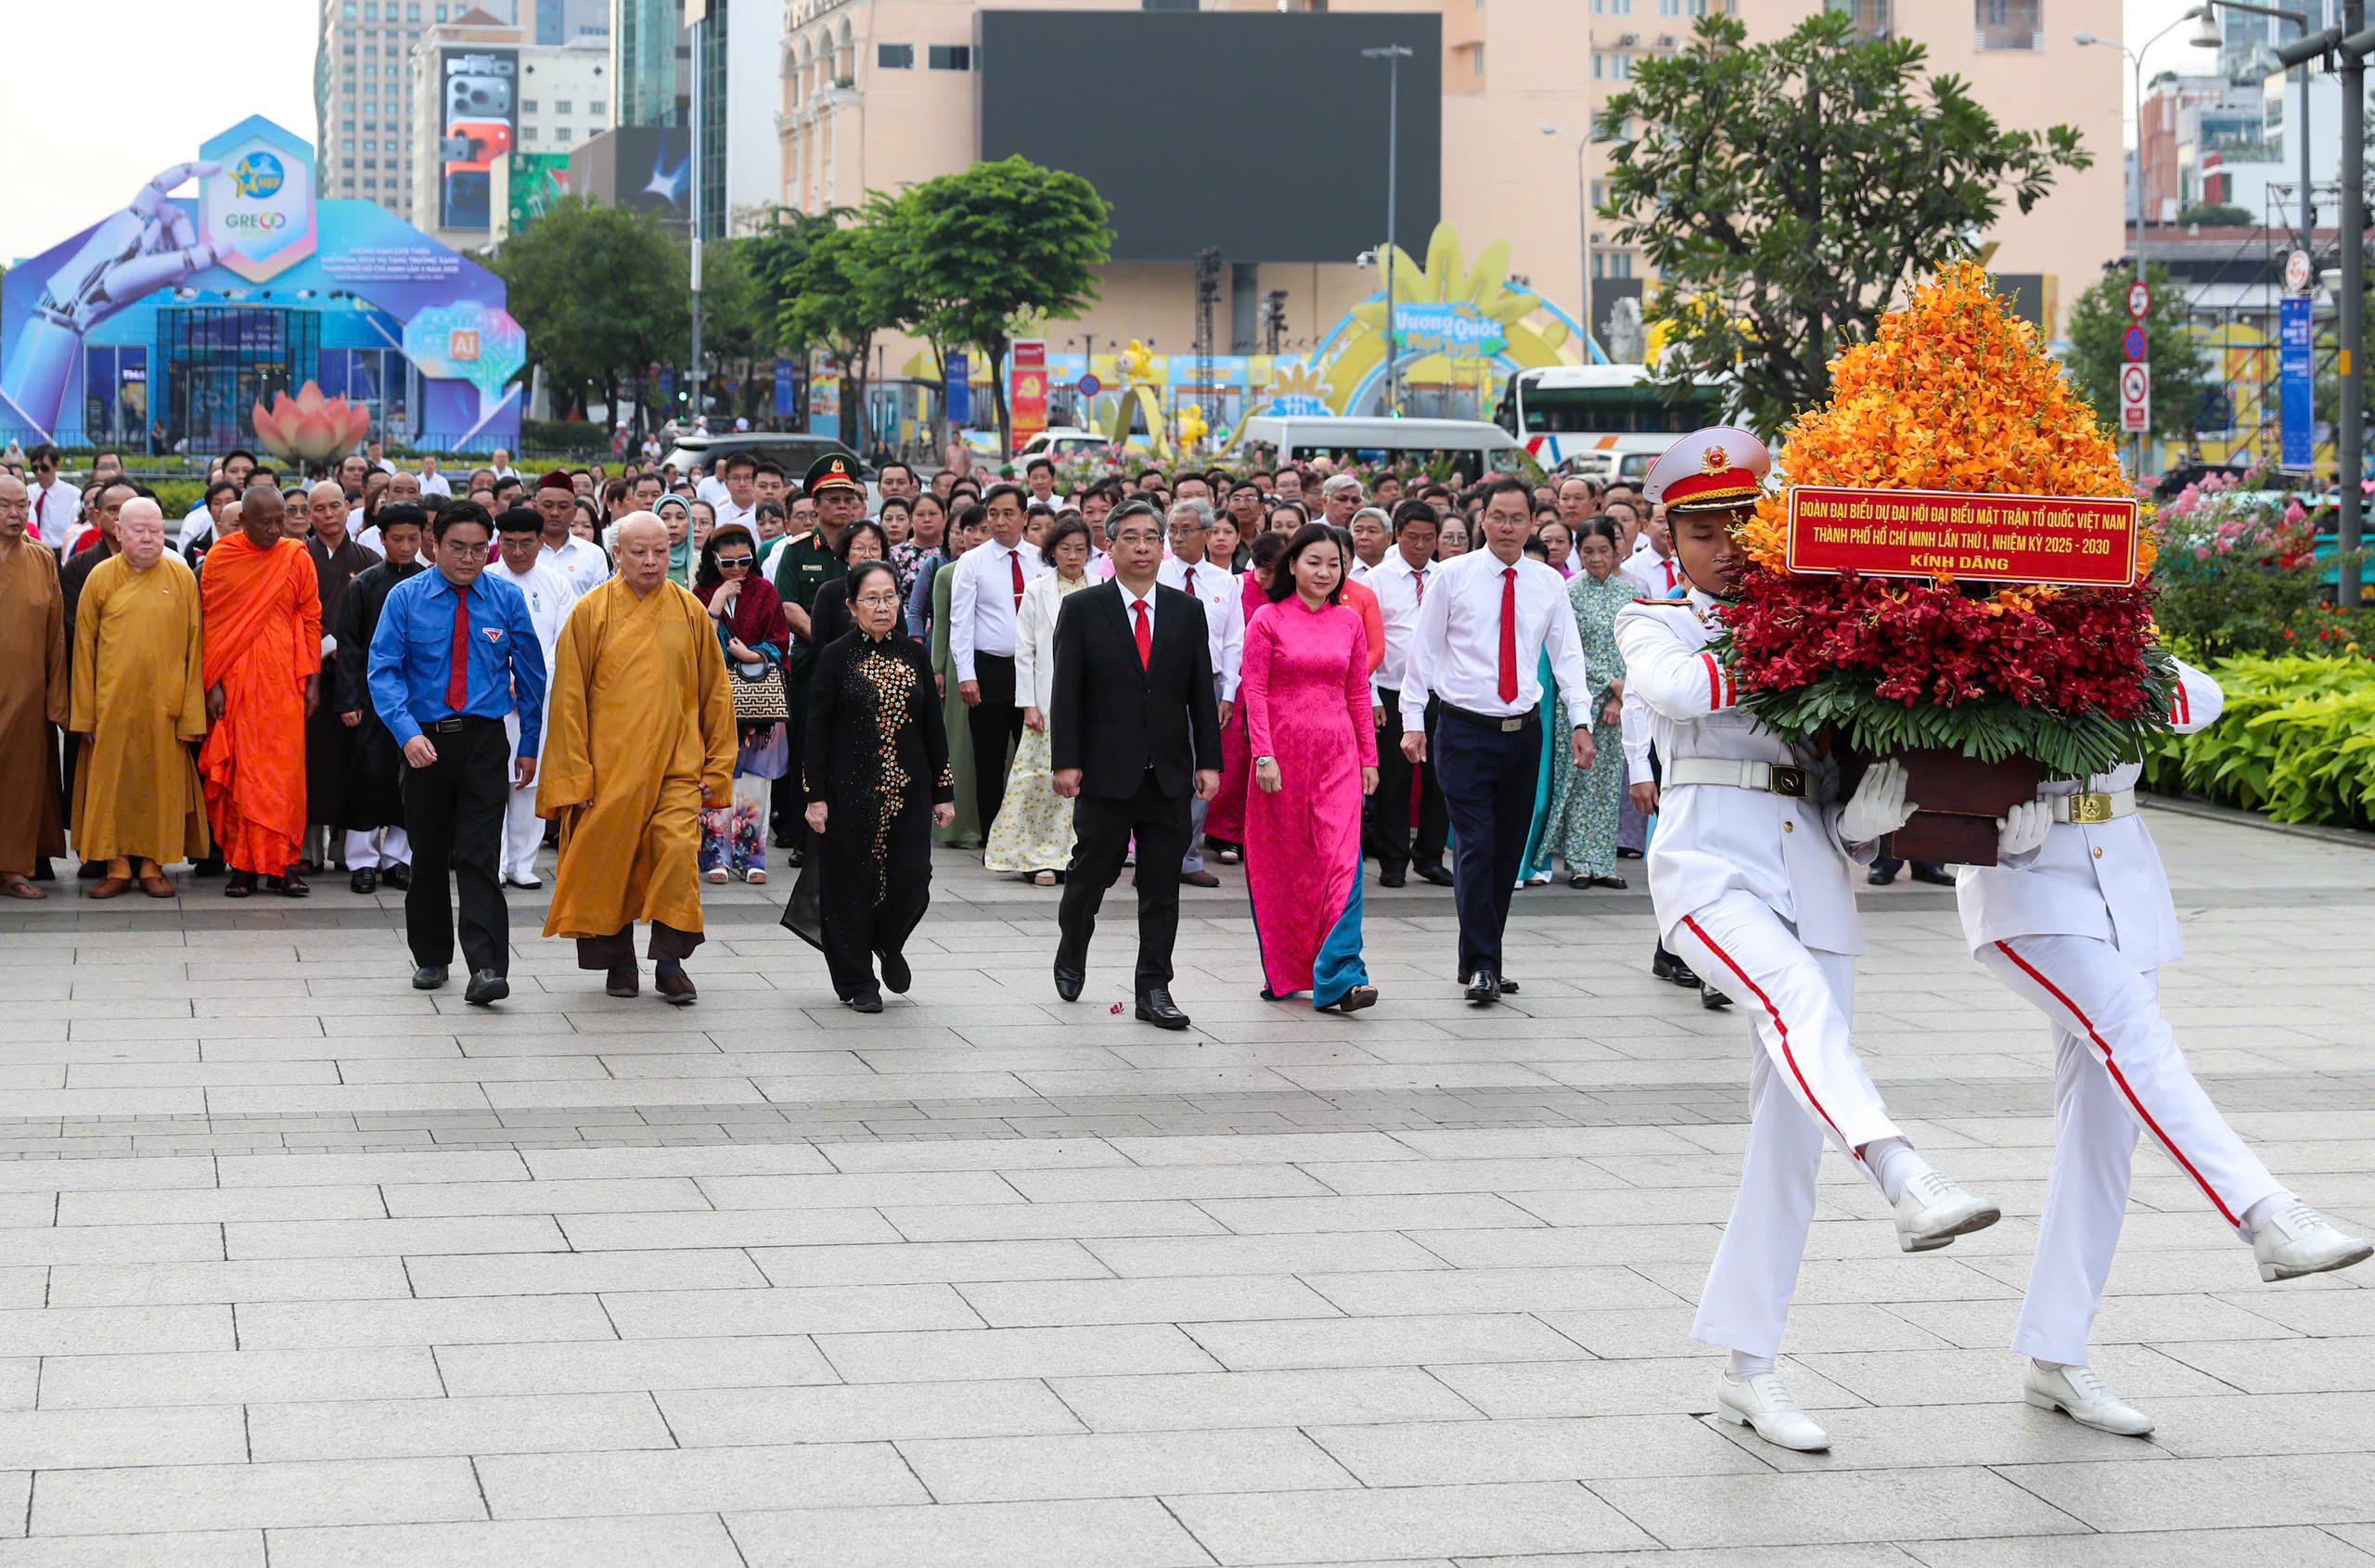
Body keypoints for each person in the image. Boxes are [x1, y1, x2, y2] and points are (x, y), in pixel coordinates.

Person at [1618, 425, 1998, 1453]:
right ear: (1671, 538)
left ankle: (1749, 1368)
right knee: (1797, 1007)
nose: (1725, 546)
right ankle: (1903, 1172)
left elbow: (1852, 771)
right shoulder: (1652, 617)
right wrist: (1809, 640)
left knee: (1787, 1139)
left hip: (1815, 867)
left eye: (1742, 523)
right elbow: (1679, 694)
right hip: (1710, 869)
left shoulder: (1817, 625)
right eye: (1703, 531)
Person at [1957, 663, 2369, 1435]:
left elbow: (2196, 704)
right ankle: (2266, 1212)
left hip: (2120, 893)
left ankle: (2056, 1354)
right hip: (2030, 892)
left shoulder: (2123, 646)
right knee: (2138, 1041)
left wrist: (2108, 650)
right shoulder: (1997, 641)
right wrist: (1981, 817)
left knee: (2103, 1137)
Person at [1399, 477, 1595, 1004]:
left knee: (1507, 853)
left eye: (1518, 518)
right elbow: (1422, 652)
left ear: (1534, 523)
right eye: (1498, 517)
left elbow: (1568, 655)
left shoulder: (1548, 582)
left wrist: (1581, 720)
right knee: (1476, 846)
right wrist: (1412, 720)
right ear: (1481, 519)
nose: (1508, 527)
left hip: (1522, 732)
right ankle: (1486, 962)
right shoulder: (1453, 577)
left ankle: (1479, 958)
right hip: (1462, 729)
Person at [536, 512, 736, 1005]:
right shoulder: (590, 612)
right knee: (609, 862)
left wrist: (717, 766)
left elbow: (715, 692)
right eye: (638, 552)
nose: (650, 562)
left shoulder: (690, 611)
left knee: (675, 852)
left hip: (676, 763)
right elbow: (566, 701)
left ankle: (670, 962)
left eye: (661, 552)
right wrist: (573, 777)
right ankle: (618, 961)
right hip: (608, 768)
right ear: (616, 554)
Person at [1048, 502, 1224, 1030]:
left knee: (1160, 884)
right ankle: (1073, 946)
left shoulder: (1186, 610)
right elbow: (1067, 693)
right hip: (1105, 771)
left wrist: (1208, 762)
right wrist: (1066, 762)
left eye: (1152, 537)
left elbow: (1200, 692)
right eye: (1131, 538)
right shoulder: (1083, 609)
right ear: (1112, 548)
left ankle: (1153, 987)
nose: (1143, 547)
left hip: (1168, 772)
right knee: (1092, 872)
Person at [366, 500, 545, 1005]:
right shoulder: (406, 598)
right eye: (455, 548)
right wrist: (406, 734)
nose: (467, 559)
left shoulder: (505, 598)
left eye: (476, 550)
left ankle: (486, 965)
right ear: (434, 544)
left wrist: (529, 742)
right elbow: (383, 671)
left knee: (479, 855)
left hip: (486, 741)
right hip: (424, 741)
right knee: (427, 856)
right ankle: (431, 955)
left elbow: (532, 675)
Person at [794, 560, 956, 1010]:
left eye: (889, 597)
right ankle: (857, 981)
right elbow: (816, 732)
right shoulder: (835, 656)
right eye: (871, 599)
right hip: (849, 791)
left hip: (910, 791)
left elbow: (933, 729)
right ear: (852, 606)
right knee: (849, 884)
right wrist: (816, 797)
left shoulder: (915, 654)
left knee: (912, 879)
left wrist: (944, 792)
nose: (882, 607)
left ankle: (888, 939)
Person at [1241, 523, 1380, 1012]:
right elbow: (1253, 691)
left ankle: (1343, 976)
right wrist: (1264, 754)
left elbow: (1358, 693)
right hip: (1280, 761)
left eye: (1334, 564)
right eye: (1314, 562)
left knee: (1344, 864)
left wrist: (1368, 758)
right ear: (1293, 565)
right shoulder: (1268, 620)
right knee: (1288, 868)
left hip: (1337, 757)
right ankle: (1289, 969)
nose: (1325, 572)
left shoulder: (1349, 622)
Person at [68, 497, 209, 898]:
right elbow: (83, 652)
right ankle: (115, 865)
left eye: (156, 530)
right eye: (139, 531)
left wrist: (191, 717)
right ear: (118, 531)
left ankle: (152, 864)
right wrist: (84, 716)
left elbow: (195, 647)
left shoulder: (181, 578)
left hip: (165, 706)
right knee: (111, 788)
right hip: (110, 707)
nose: (149, 538)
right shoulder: (100, 577)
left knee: (160, 788)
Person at [200, 486, 323, 898]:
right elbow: (211, 625)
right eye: (265, 522)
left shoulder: (296, 556)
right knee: (243, 776)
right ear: (244, 522)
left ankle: (284, 865)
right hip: (237, 684)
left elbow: (310, 619)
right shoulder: (221, 559)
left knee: (284, 779)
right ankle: (243, 866)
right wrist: (212, 683)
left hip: (285, 684)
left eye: (280, 520)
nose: (275, 529)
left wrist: (312, 681)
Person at [985, 515, 1096, 883]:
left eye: (1080, 549)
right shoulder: (1037, 590)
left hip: (1093, 704)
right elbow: (1025, 650)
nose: (1073, 556)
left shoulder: (1101, 587)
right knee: (1038, 782)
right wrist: (1028, 703)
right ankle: (1036, 857)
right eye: (1065, 548)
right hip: (1047, 702)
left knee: (1086, 782)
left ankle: (1075, 855)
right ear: (1052, 552)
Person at [483, 508, 579, 889]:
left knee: (529, 782)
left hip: (540, 697)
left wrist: (531, 683)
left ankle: (522, 864)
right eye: (509, 543)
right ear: (498, 543)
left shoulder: (557, 585)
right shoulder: (485, 580)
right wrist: (505, 678)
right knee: (492, 782)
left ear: (541, 542)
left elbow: (564, 641)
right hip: (493, 697)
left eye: (526, 543)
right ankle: (496, 860)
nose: (518, 551)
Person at [335, 504, 428, 893]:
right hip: (374, 701)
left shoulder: (430, 582)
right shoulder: (365, 584)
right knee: (369, 777)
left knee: (410, 779)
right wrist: (350, 699)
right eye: (397, 538)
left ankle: (398, 859)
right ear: (382, 539)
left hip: (420, 701)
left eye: (413, 538)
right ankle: (362, 861)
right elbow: (350, 647)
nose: (405, 546)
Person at [1538, 518, 1635, 890]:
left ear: (1617, 551)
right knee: (1577, 781)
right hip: (1577, 701)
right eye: (1589, 551)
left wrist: (1619, 696)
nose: (1596, 558)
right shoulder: (1569, 593)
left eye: (1604, 551)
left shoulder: (1630, 594)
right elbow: (1567, 650)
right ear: (1578, 553)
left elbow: (1634, 649)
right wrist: (1608, 682)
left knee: (1608, 784)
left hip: (1619, 702)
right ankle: (1578, 862)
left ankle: (1603, 862)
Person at [693, 522, 791, 885]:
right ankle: (715, 857)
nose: (737, 570)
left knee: (754, 783)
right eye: (728, 562)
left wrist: (752, 655)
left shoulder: (766, 591)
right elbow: (696, 644)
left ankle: (752, 856)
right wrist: (717, 602)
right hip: (714, 700)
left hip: (758, 703)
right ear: (713, 560)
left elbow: (780, 641)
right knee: (716, 776)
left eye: (745, 561)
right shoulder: (701, 592)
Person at [949, 482, 1050, 835]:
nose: (1000, 521)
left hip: (1035, 671)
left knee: (1033, 757)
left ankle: (1030, 833)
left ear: (1025, 516)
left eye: (1008, 513)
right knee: (989, 759)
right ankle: (993, 836)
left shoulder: (1042, 559)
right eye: (993, 514)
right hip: (989, 669)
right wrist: (966, 674)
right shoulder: (971, 562)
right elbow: (960, 622)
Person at [1155, 498, 1243, 890]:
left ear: (1208, 534)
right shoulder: (1155, 573)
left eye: (1185, 529)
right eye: (1172, 529)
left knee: (1202, 768)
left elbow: (1232, 642)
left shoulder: (1226, 581)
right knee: (1156, 767)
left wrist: (1227, 692)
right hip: (1157, 684)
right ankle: (1153, 857)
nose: (1177, 537)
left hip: (1206, 685)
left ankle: (1187, 857)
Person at [1365, 500, 1451, 888]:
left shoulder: (1447, 575)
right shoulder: (1376, 580)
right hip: (1391, 692)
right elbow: (1362, 643)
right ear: (1396, 534)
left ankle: (1430, 858)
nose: (1420, 546)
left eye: (1428, 539)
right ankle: (1393, 861)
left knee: (1441, 780)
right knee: (1394, 783)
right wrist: (1372, 698)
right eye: (1412, 537)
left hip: (1441, 693)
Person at [302, 482, 380, 871]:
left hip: (353, 677)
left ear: (348, 508)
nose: (328, 515)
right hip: (308, 676)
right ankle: (308, 850)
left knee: (353, 763)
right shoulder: (297, 556)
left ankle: (346, 849)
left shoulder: (367, 558)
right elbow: (292, 612)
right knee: (311, 763)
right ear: (309, 515)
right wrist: (322, 644)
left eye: (335, 506)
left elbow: (374, 619)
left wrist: (343, 648)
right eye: (319, 509)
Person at [0, 475, 69, 898]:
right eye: (4, 505)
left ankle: (13, 868)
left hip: (26, 692)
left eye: (21, 505)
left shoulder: (42, 558)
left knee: (22, 782)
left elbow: (55, 634)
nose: (14, 514)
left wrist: (56, 698)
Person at [926, 504, 987, 851]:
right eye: (970, 530)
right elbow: (942, 625)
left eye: (983, 529)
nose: (977, 537)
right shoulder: (947, 574)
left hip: (995, 663)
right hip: (956, 664)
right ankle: (956, 826)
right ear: (958, 535)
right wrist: (937, 668)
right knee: (959, 747)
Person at [805, 521, 891, 657]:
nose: (867, 555)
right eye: (859, 548)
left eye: (874, 549)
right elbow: (819, 645)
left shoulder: (890, 591)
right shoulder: (828, 592)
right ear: (846, 554)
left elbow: (899, 638)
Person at [534, 470, 610, 598]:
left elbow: (601, 604)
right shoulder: (521, 551)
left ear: (574, 512)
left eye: (563, 507)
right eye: (547, 506)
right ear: (535, 507)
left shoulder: (593, 554)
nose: (555, 513)